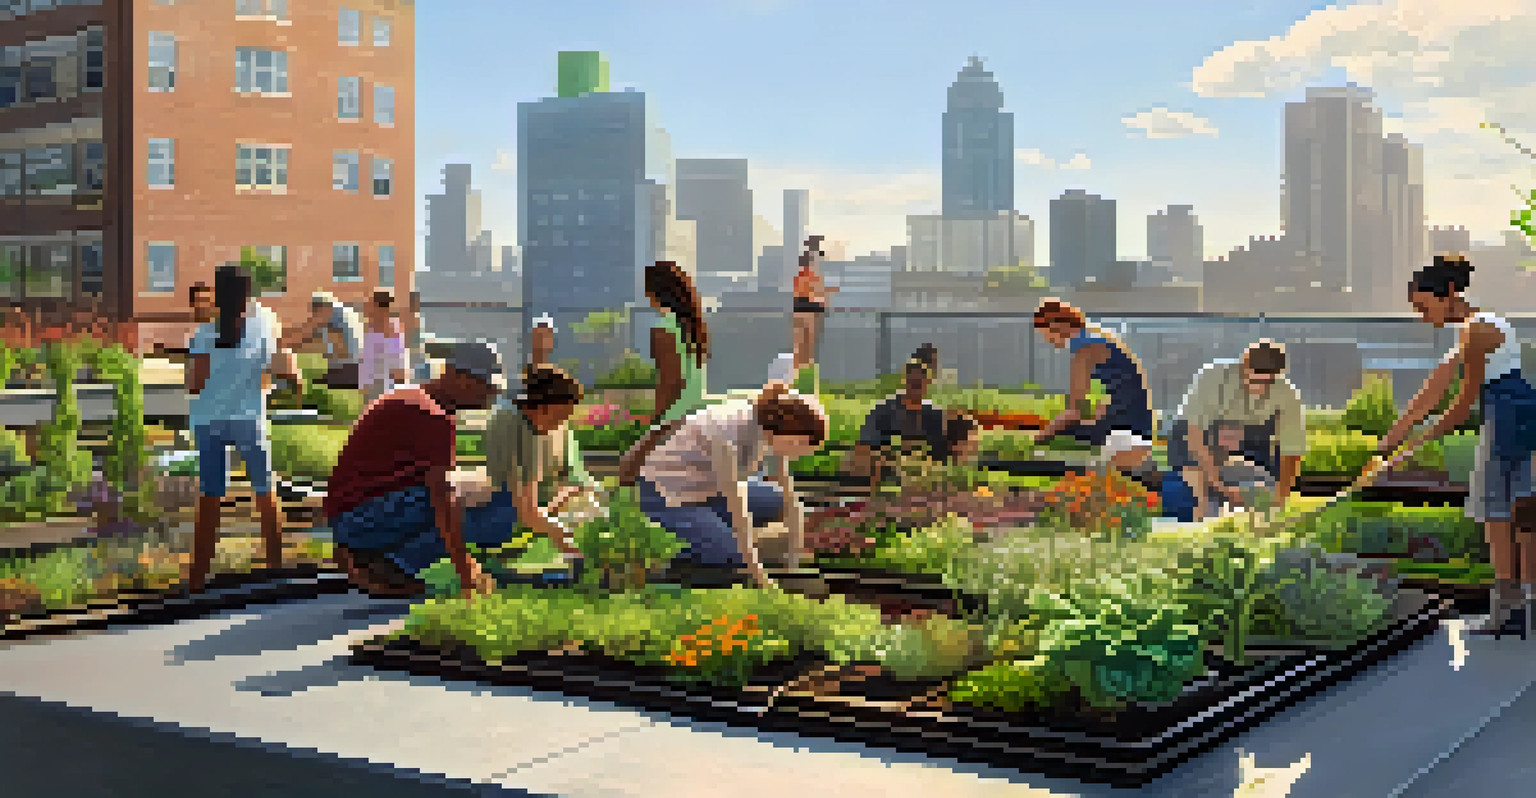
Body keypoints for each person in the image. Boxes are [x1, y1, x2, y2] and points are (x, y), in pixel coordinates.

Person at [1379, 256, 1536, 638]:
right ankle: (1522, 609)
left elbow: (1460, 404)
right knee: (1519, 515)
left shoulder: (1476, 331)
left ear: (1448, 294)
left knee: (1500, 518)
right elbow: (1435, 387)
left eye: (1423, 306)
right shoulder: (1477, 326)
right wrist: (1393, 436)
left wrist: (1413, 445)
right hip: (1516, 419)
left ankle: (1511, 612)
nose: (1421, 315)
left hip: (1507, 423)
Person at [324, 341, 506, 599]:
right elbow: (442, 497)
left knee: (476, 495)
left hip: (355, 513)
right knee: (483, 509)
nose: (491, 397)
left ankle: (379, 559)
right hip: (359, 518)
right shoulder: (431, 415)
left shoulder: (415, 397)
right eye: (487, 388)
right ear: (460, 377)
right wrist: (464, 569)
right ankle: (390, 565)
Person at [636, 381, 827, 588]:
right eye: (799, 445)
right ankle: (666, 552)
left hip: (709, 489)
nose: (797, 454)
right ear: (789, 429)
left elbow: (789, 497)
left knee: (776, 499)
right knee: (732, 555)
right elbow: (738, 508)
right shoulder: (728, 432)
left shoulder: (772, 433)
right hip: (669, 494)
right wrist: (759, 575)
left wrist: (793, 560)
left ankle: (711, 526)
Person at [184, 264, 298, 593]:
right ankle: (275, 567)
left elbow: (195, 385)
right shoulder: (261, 327)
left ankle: (198, 576)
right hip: (250, 418)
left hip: (210, 421)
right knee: (265, 493)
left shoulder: (205, 334)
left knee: (210, 496)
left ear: (218, 296)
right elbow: (277, 366)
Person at [1161, 340, 1305, 522]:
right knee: (1193, 493)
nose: (1258, 389)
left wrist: (1280, 500)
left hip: (1249, 441)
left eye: (1266, 382)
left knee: (1264, 497)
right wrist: (1220, 487)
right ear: (1244, 364)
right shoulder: (1212, 377)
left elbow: (1291, 452)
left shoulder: (1287, 394)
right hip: (1202, 437)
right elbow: (1193, 433)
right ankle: (1201, 509)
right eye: (1253, 380)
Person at [481, 364, 597, 560]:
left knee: (587, 507)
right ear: (543, 406)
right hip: (497, 514)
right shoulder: (510, 423)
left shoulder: (527, 424)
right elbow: (524, 510)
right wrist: (567, 542)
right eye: (559, 417)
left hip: (518, 508)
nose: (559, 424)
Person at [1033, 299, 1155, 468]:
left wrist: (1039, 437)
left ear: (1056, 326)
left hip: (1123, 427)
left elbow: (1075, 410)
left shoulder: (1084, 350)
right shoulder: (1097, 337)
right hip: (1138, 419)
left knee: (1063, 434)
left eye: (1045, 333)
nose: (1047, 340)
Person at [851, 345, 950, 489]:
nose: (918, 382)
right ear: (905, 379)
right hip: (887, 478)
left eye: (923, 377)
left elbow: (942, 454)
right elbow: (863, 447)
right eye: (913, 380)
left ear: (929, 381)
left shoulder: (935, 415)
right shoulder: (884, 411)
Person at [645, 261, 711, 424]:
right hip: (696, 416)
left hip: (674, 420)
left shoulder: (664, 328)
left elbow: (670, 380)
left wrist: (654, 419)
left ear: (655, 293)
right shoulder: (692, 327)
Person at [280, 291, 365, 389]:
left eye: (315, 311)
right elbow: (307, 333)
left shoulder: (330, 314)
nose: (314, 315)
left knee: (308, 388)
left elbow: (306, 334)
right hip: (359, 369)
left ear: (322, 307)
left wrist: (282, 346)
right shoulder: (345, 313)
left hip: (346, 370)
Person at [791, 235, 838, 374]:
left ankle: (802, 371)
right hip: (808, 305)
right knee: (805, 345)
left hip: (806, 305)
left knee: (805, 345)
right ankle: (802, 371)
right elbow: (812, 288)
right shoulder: (810, 270)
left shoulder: (809, 269)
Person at [360, 288, 407, 406]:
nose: (366, 309)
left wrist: (399, 388)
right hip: (369, 385)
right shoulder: (367, 329)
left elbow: (398, 363)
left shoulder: (394, 331)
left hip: (385, 384)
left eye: (370, 305)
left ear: (381, 308)